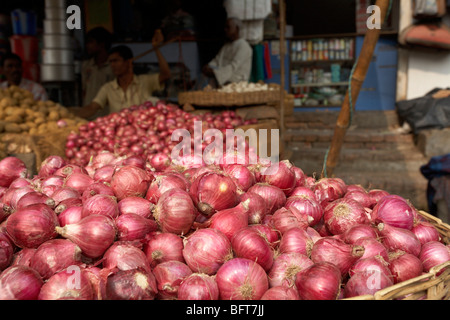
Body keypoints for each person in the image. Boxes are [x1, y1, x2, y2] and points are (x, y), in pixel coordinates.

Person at [71, 29, 171, 119]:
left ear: (128, 62)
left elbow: (166, 74)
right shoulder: (108, 88)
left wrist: (156, 49)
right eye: (110, 62)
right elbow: (92, 108)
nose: (112, 65)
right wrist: (70, 113)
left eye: (116, 61)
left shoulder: (144, 81)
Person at [200, 17, 252, 88]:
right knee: (203, 77)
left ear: (236, 29)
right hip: (222, 77)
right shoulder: (227, 45)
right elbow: (217, 60)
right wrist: (208, 67)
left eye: (228, 27)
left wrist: (215, 73)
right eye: (225, 27)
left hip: (236, 82)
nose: (225, 30)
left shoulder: (243, 46)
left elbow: (232, 67)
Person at [81, 27, 114, 107]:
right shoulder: (86, 65)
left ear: (101, 44)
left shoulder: (113, 66)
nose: (87, 46)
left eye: (90, 42)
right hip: (89, 113)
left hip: (108, 114)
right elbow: (83, 91)